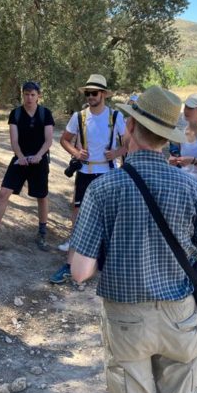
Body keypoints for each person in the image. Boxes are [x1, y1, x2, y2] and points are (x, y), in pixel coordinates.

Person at [69, 86, 197, 393]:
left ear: (129, 126)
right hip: (179, 316)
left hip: (126, 321)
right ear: (167, 136)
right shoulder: (192, 187)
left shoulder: (104, 189)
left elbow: (80, 271)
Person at [50, 74, 126, 284]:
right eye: (88, 93)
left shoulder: (115, 117)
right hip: (85, 173)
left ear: (103, 95)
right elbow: (64, 139)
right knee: (78, 217)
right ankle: (69, 265)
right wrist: (75, 152)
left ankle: (109, 263)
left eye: (94, 93)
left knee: (109, 218)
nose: (90, 96)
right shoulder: (79, 116)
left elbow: (130, 143)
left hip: (107, 174)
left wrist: (117, 153)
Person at [0, 81, 55, 250]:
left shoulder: (45, 114)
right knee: (4, 192)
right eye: (26, 94)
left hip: (39, 160)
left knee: (42, 196)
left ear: (38, 95)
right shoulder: (16, 114)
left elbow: (48, 140)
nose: (29, 98)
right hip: (20, 159)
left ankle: (42, 233)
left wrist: (39, 156)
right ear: (22, 95)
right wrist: (21, 157)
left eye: (33, 94)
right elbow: (14, 140)